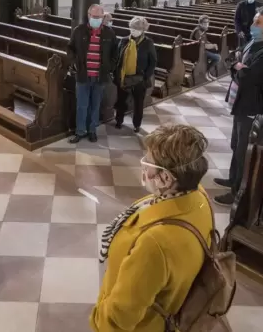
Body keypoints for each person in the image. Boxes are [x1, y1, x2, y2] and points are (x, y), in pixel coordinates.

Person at [91, 124, 213, 332]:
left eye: (147, 162)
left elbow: (120, 317)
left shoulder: (155, 243)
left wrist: (99, 321)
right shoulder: (199, 196)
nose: (144, 167)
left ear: (166, 178)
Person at [214, 7, 263, 206]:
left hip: (253, 105)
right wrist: (238, 66)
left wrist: (237, 67)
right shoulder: (257, 42)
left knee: (243, 151)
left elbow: (247, 77)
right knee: (236, 145)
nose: (252, 26)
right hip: (243, 102)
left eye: (258, 22)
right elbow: (239, 64)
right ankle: (232, 179)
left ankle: (238, 192)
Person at [67, 4, 118, 143]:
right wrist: (74, 63)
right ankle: (80, 131)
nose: (97, 19)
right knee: (82, 105)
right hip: (83, 75)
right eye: (94, 17)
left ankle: (92, 130)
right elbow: (70, 48)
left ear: (103, 17)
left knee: (95, 105)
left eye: (100, 17)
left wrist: (110, 68)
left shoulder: (109, 33)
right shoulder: (79, 31)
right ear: (88, 16)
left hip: (100, 76)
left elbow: (115, 53)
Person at [114, 17, 157, 133]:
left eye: (137, 29)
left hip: (139, 78)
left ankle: (137, 124)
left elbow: (153, 62)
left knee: (138, 103)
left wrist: (145, 77)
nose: (133, 31)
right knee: (121, 100)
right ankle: (119, 120)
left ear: (143, 30)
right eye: (132, 28)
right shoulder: (124, 40)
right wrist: (117, 75)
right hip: (124, 77)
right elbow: (117, 58)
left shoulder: (148, 43)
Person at [190, 14, 220, 81]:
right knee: (217, 57)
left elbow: (205, 41)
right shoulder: (198, 31)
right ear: (200, 23)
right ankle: (206, 72)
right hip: (197, 53)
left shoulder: (201, 30)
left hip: (199, 50)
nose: (207, 24)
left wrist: (212, 44)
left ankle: (208, 73)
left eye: (208, 22)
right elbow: (204, 45)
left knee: (216, 53)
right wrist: (213, 45)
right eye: (205, 23)